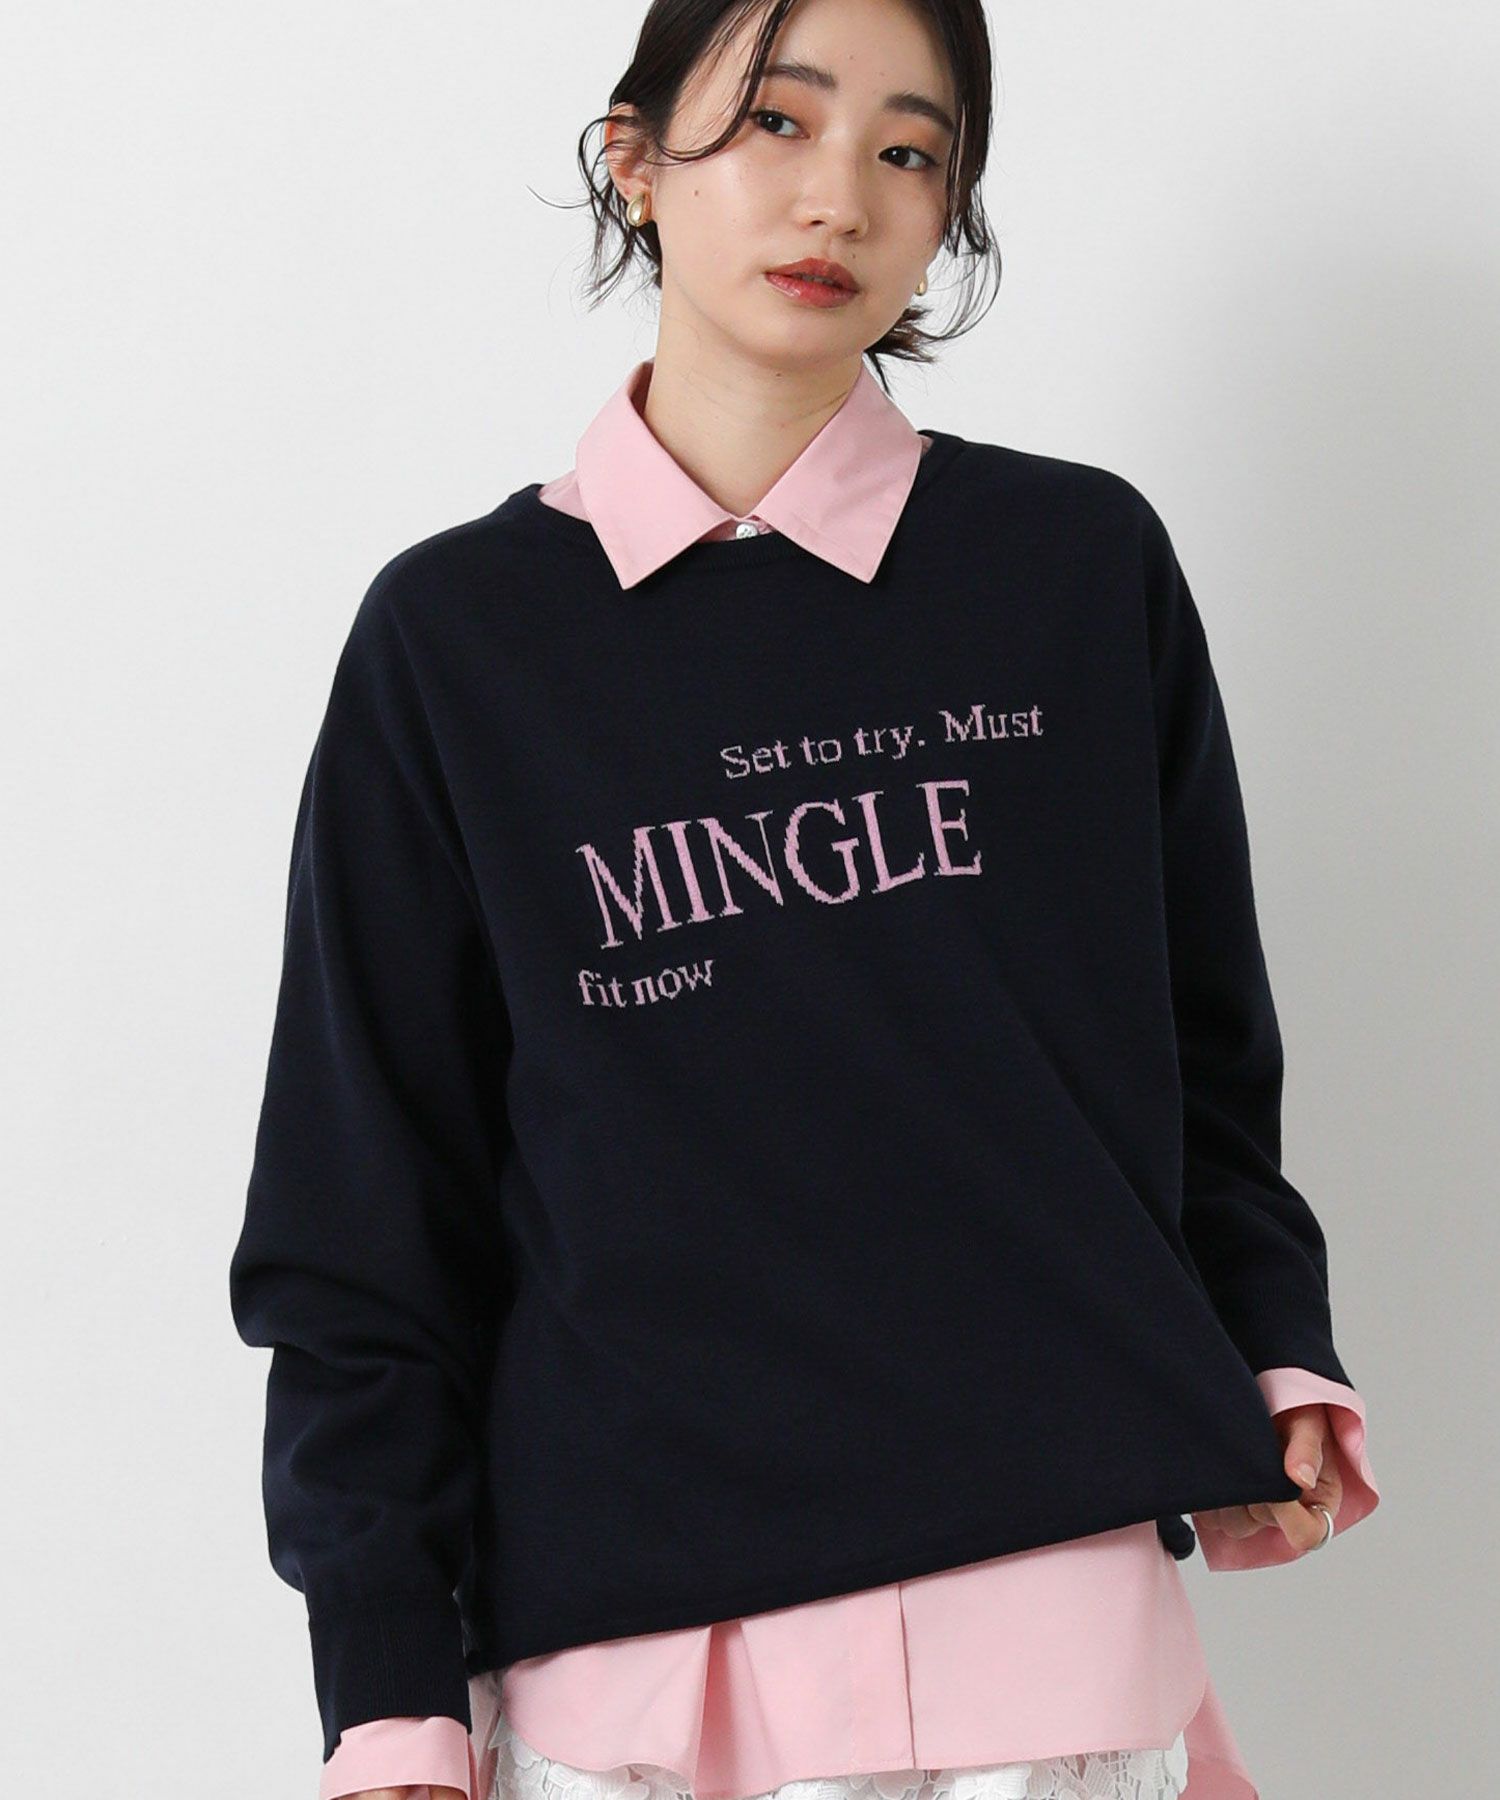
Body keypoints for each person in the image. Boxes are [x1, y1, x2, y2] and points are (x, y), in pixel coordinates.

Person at [228, 2, 1380, 1798]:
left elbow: (1202, 1067)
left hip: (1047, 1638)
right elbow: (363, 1211)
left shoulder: (1076, 572)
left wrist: (1267, 1353)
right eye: (778, 120)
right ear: (635, 159)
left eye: (909, 151)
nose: (841, 194)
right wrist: (387, 1692)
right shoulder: (457, 645)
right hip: (634, 1677)